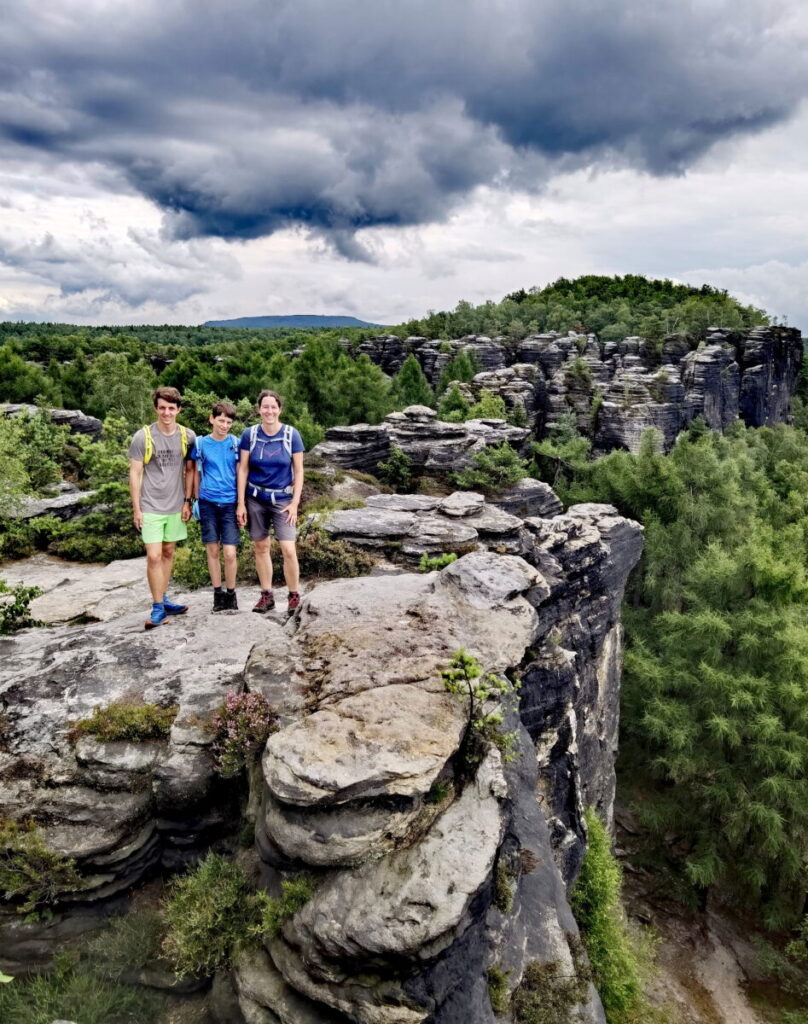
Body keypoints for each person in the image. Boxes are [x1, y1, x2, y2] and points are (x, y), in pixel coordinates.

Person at [128, 387, 197, 630]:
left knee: (168, 552)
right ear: (156, 408)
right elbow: (135, 473)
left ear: (178, 409)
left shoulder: (187, 436)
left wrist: (188, 501)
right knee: (154, 555)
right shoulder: (143, 436)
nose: (166, 413)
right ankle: (157, 607)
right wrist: (137, 509)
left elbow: (190, 470)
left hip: (176, 505)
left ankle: (164, 598)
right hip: (150, 506)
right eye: (162, 408)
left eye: (171, 408)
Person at [236, 390, 305, 614]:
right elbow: (243, 468)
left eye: (273, 407)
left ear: (280, 409)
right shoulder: (250, 434)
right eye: (265, 407)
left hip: (283, 499)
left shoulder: (291, 435)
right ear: (258, 409)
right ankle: (267, 596)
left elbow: (299, 470)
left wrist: (295, 503)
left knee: (288, 548)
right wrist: (240, 503)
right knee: (261, 547)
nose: (269, 411)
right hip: (256, 498)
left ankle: (293, 595)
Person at [193, 400, 241, 613]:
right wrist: (193, 500)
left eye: (228, 421)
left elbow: (242, 473)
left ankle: (231, 593)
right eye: (221, 420)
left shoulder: (236, 443)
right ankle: (217, 594)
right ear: (212, 419)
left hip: (230, 503)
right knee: (212, 549)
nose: (224, 425)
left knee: (230, 552)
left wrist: (242, 504)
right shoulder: (200, 444)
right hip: (208, 503)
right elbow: (194, 473)